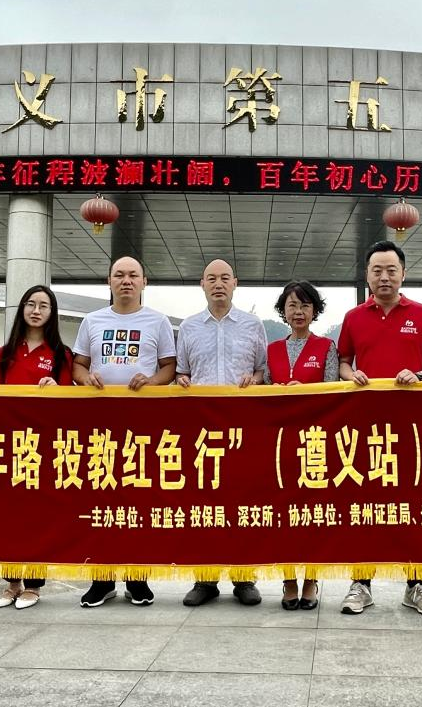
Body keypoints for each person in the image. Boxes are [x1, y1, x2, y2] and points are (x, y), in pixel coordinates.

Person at [337, 240, 422, 616]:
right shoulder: (354, 317)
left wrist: (420, 374)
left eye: (391, 270)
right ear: (367, 275)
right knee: (364, 505)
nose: (384, 277)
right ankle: (361, 583)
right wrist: (352, 375)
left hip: (412, 427)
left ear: (403, 273)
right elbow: (343, 362)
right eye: (377, 270)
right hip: (365, 428)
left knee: (413, 505)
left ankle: (417, 584)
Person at [72, 256, 177, 608]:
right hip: (100, 425)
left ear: (144, 282)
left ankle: (137, 577)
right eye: (119, 275)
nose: (126, 280)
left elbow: (168, 367)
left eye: (133, 275)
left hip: (142, 427)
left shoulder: (158, 321)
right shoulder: (92, 320)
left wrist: (151, 381)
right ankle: (101, 580)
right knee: (101, 502)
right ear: (109, 281)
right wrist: (86, 379)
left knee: (138, 501)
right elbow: (78, 365)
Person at [176, 258, 268, 606]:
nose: (218, 284)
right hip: (202, 432)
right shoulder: (188, 327)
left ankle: (244, 578)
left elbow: (262, 370)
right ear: (202, 284)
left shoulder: (253, 325)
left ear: (235, 283)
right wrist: (182, 380)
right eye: (211, 278)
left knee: (244, 503)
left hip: (243, 429)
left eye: (224, 278)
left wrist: (254, 379)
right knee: (204, 505)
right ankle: (205, 579)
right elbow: (182, 371)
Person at [0, 284, 75, 610]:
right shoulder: (5, 353)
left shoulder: (61, 355)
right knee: (8, 517)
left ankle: (34, 585)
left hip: (43, 447)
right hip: (9, 445)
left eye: (43, 305)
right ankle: (12, 583)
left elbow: (69, 403)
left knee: (38, 517)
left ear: (52, 313)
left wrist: (57, 387)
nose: (36, 310)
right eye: (30, 304)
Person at [267, 280, 338, 611]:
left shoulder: (326, 347)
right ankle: (288, 580)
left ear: (314, 311)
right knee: (282, 514)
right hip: (280, 443)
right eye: (292, 305)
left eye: (305, 305)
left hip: (315, 442)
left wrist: (305, 393)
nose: (298, 312)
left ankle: (311, 578)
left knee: (313, 514)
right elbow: (265, 389)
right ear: (283, 311)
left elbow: (333, 392)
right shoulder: (272, 349)